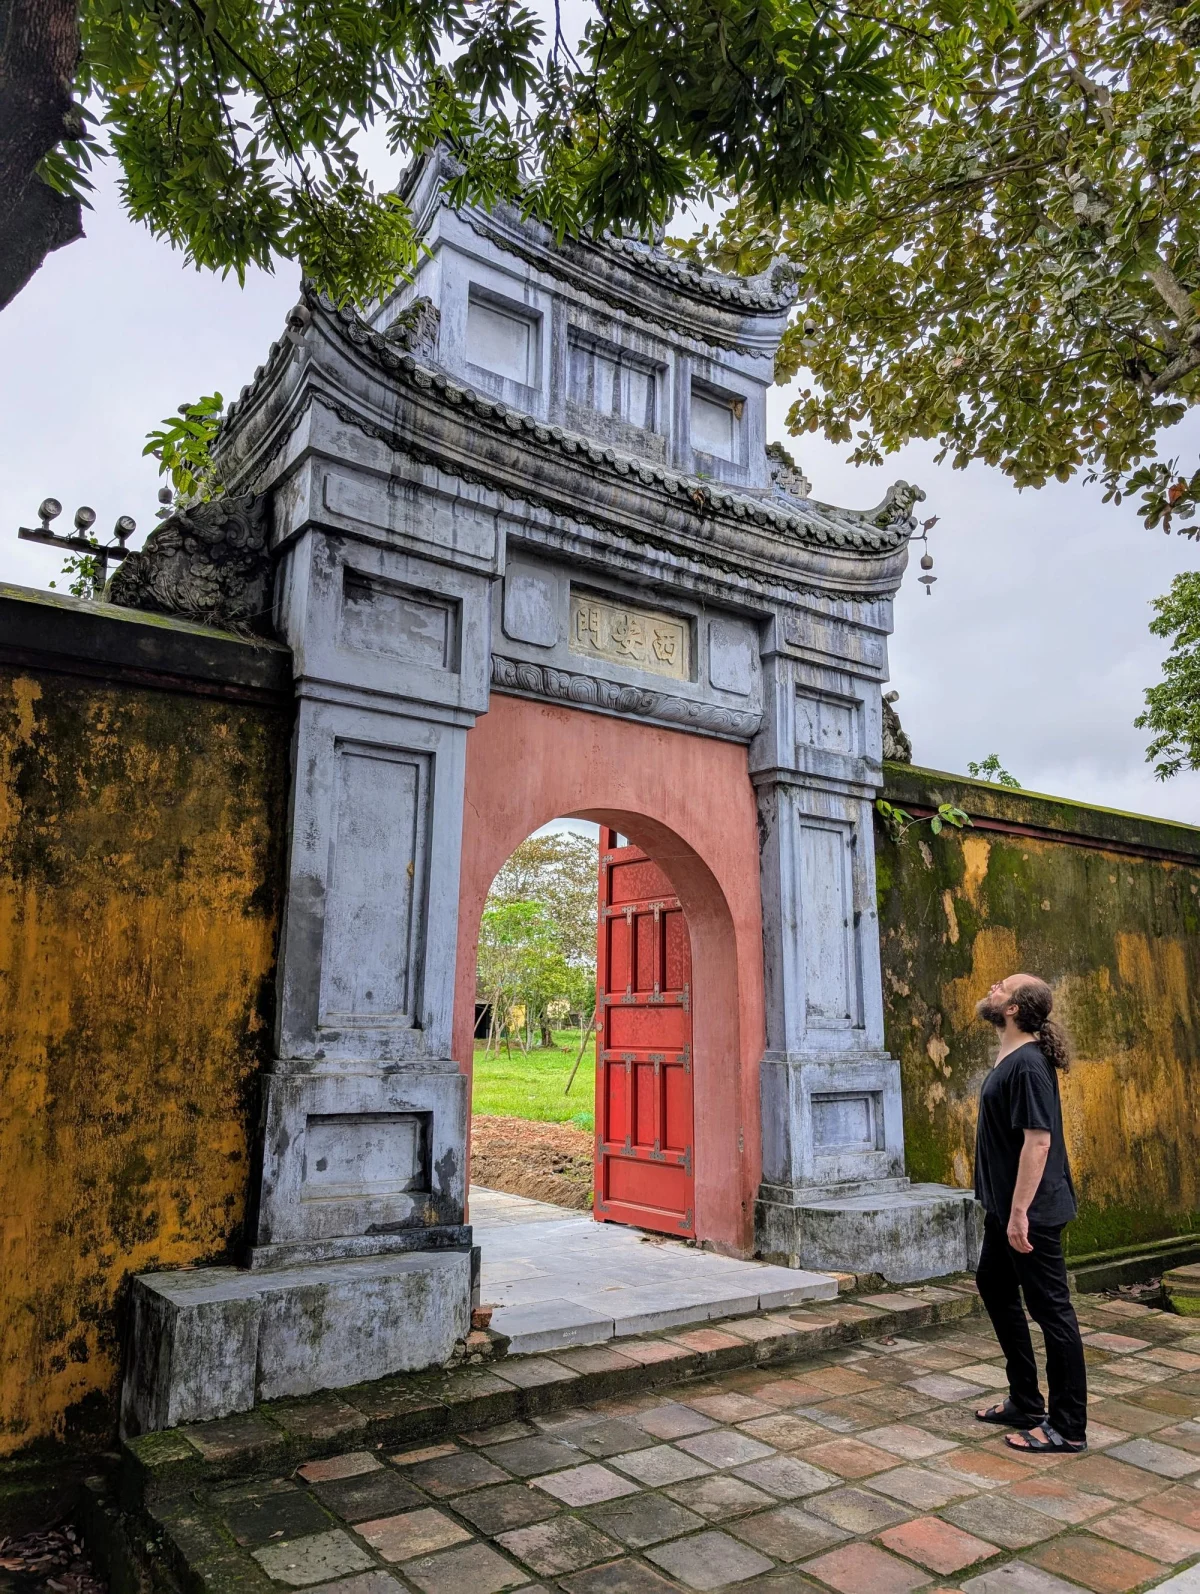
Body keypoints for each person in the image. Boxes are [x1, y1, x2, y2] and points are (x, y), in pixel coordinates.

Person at [971, 973, 1087, 1453]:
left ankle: (1067, 1426)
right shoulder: (1011, 1057)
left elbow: (1038, 1142)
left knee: (1052, 1312)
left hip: (1030, 1212)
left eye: (1003, 986)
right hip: (1007, 1208)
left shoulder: (1029, 1066)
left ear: (1016, 1008)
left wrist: (1020, 1213)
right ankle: (1025, 1400)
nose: (994, 987)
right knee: (994, 1285)